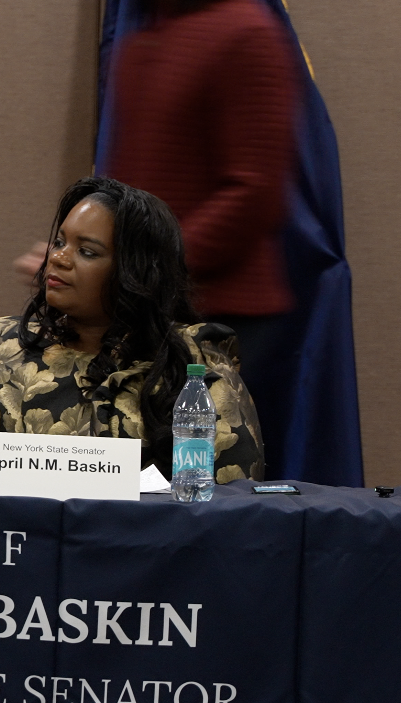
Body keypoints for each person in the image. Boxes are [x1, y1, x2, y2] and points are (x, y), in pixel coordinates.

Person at [0, 178, 263, 481]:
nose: (57, 257)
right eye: (59, 242)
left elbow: (232, 513)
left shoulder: (196, 371)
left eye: (87, 252)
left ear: (135, 274)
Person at [105, 0, 299, 477]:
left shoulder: (246, 32)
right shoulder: (142, 40)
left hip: (225, 326)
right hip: (149, 313)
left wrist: (136, 265)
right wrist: (92, 252)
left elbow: (254, 193)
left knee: (209, 502)